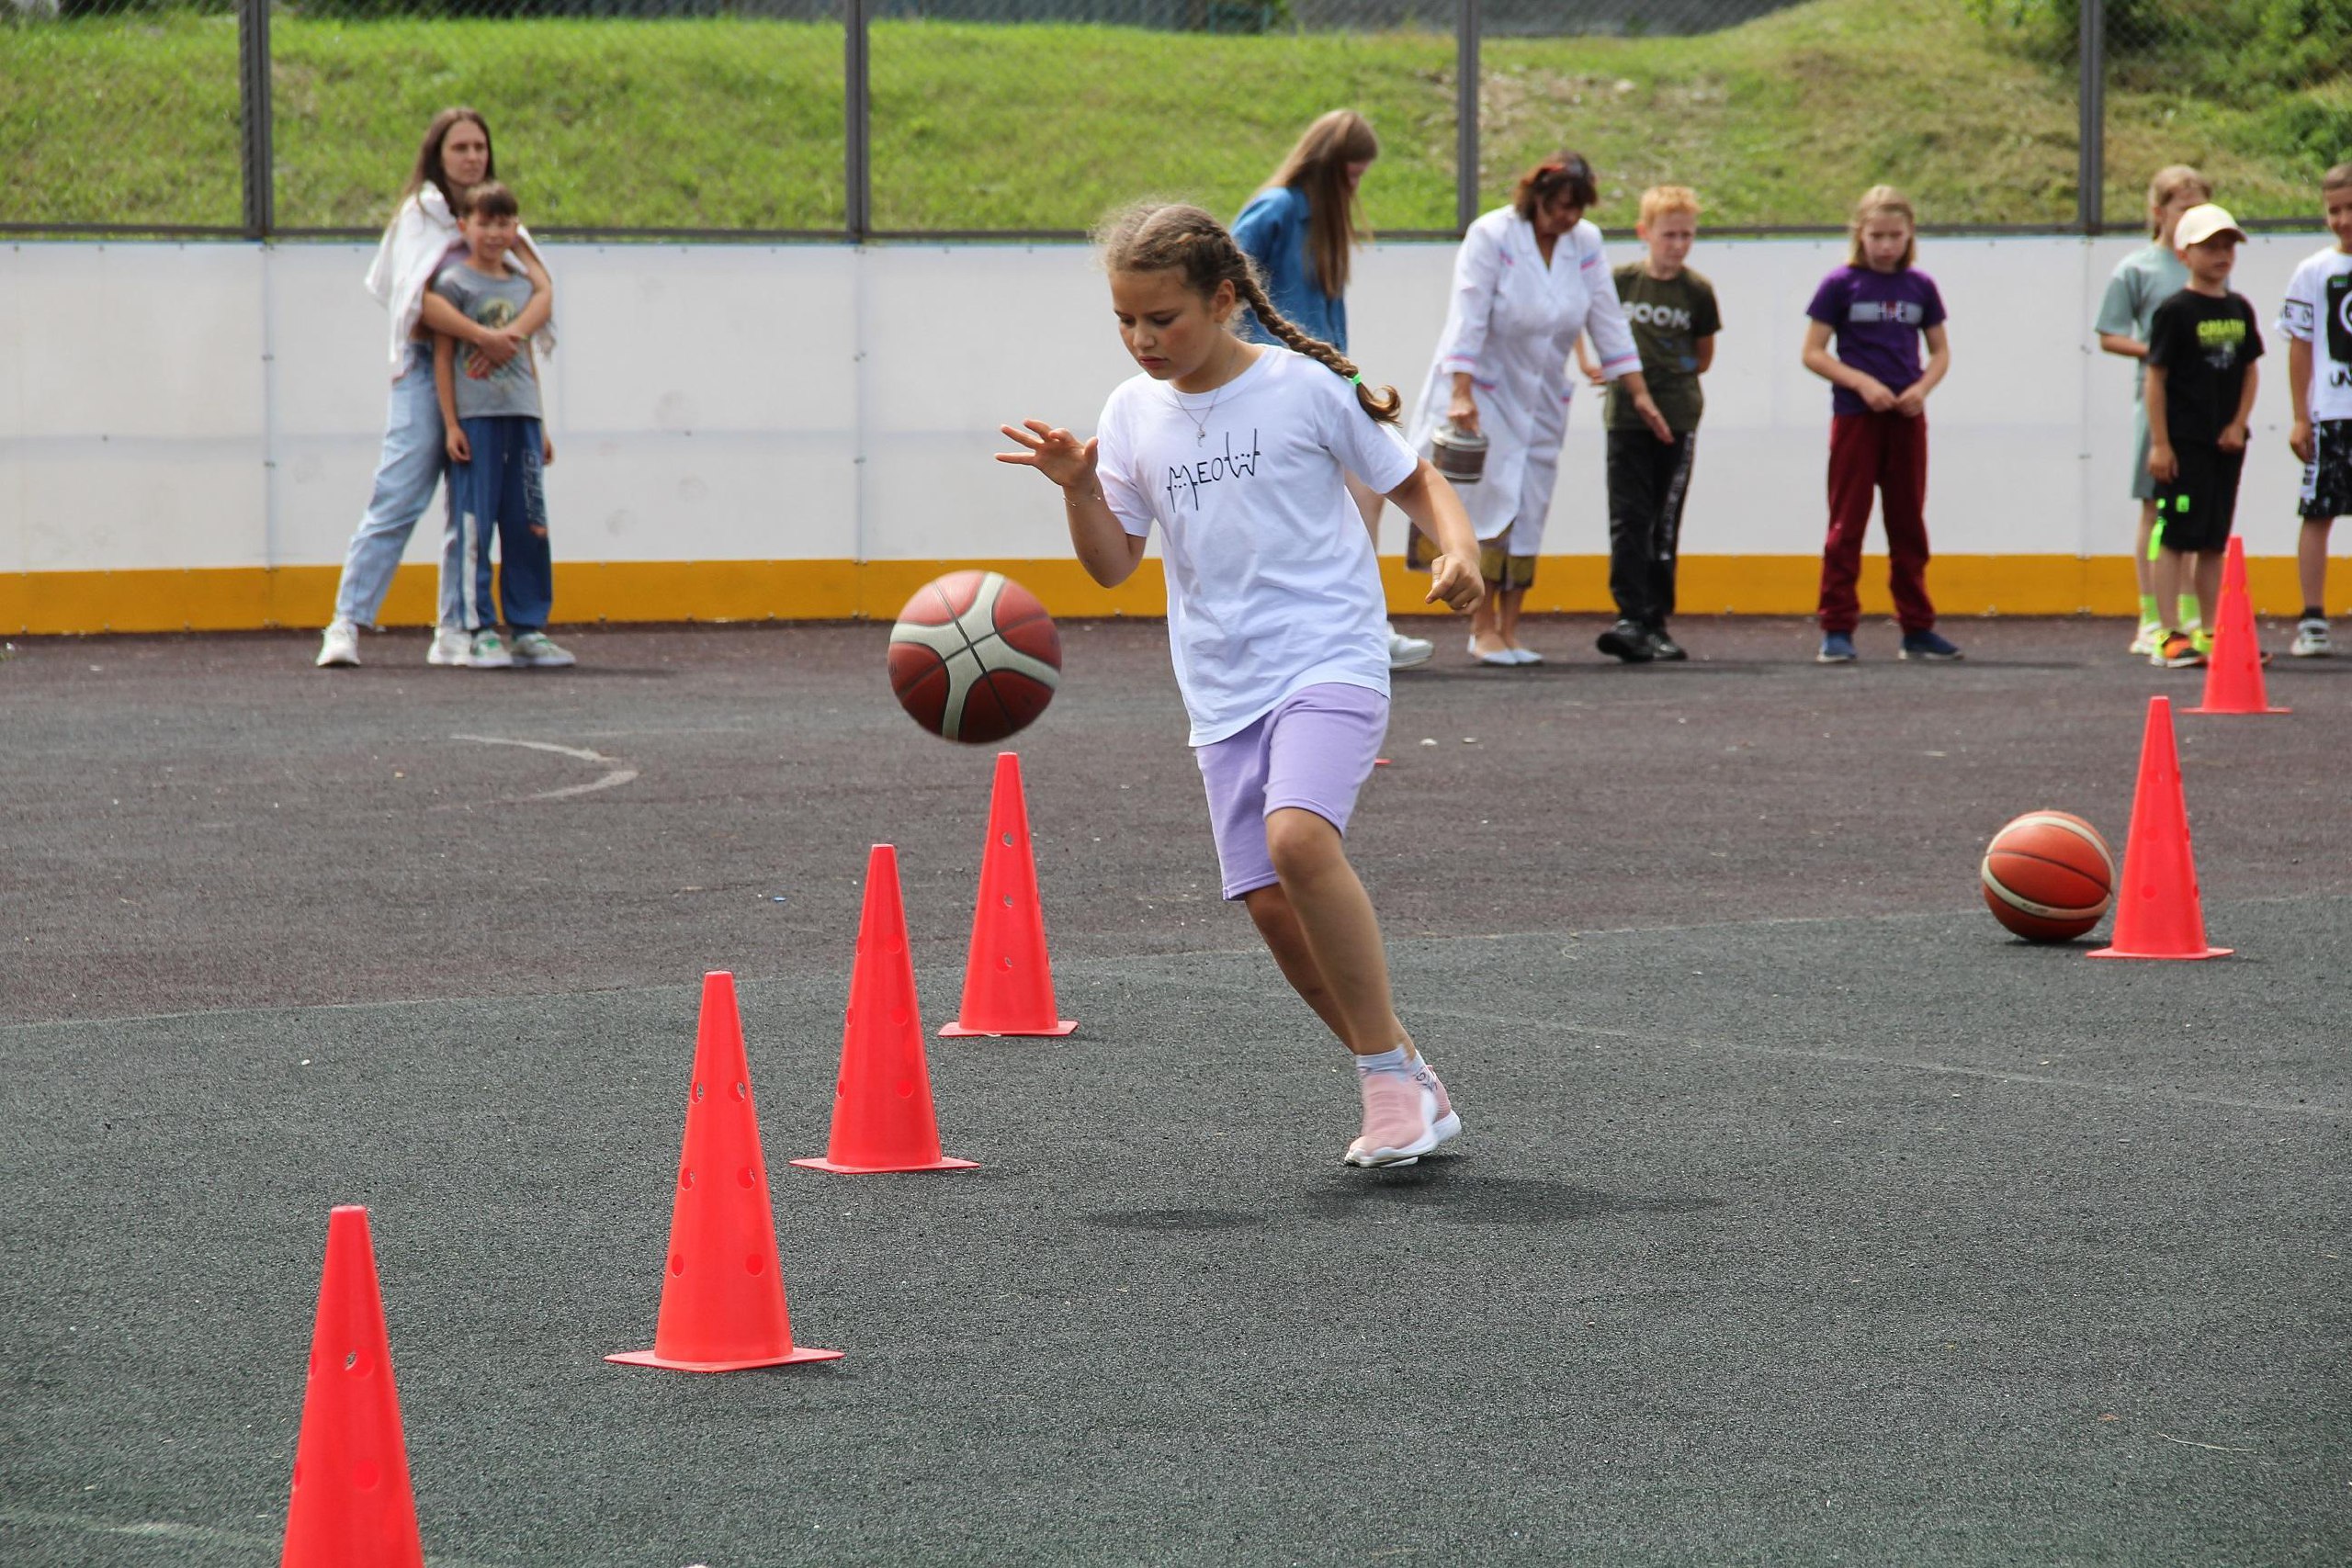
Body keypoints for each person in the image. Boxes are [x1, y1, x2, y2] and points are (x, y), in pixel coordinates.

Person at [995, 202, 1485, 1168]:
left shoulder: (1302, 389)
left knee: (1298, 839)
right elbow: (1110, 564)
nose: (1143, 341)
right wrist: (1078, 490)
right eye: (1125, 322)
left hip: (1330, 656)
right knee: (1269, 903)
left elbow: (1413, 479)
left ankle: (1386, 1086)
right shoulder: (1131, 414)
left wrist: (1458, 548)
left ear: (1223, 301)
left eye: (1162, 318)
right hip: (1221, 688)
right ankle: (1406, 1077)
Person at [1404, 152, 1671, 665]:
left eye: (1576, 208)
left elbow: (1608, 320)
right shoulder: (1492, 235)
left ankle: (1510, 629)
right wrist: (1461, 390)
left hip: (1542, 397)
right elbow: (1468, 313)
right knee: (1483, 507)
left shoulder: (1585, 243)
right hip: (1485, 392)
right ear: (1536, 198)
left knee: (1528, 506)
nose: (1567, 218)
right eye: (1559, 207)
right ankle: (1481, 629)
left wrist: (1638, 393)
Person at [316, 107, 555, 670]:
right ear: (437, 154)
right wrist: (481, 334)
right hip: (430, 367)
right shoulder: (419, 215)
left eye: (479, 147)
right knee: (399, 495)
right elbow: (416, 302)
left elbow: (540, 288)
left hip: (493, 377)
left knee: (472, 505)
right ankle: (346, 622)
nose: (472, 157)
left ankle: (456, 628)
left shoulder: (498, 218)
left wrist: (508, 337)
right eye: (459, 148)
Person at [1231, 109, 1434, 671]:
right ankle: (1359, 629)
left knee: (1366, 493)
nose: (1355, 187)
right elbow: (1223, 276)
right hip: (1278, 385)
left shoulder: (1319, 219)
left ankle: (1362, 627)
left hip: (1323, 381)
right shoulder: (1276, 211)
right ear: (1325, 168)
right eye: (1350, 175)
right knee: (1356, 495)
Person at [1800, 185, 1958, 663]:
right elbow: (1812, 352)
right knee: (1847, 523)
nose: (1886, 245)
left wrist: (1922, 389)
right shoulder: (1840, 284)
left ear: (1909, 235)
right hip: (1856, 419)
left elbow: (1940, 351)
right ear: (1860, 235)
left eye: (1895, 235)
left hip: (1906, 419)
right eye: (1877, 236)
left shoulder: (1920, 287)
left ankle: (1916, 627)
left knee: (1908, 522)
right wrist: (1861, 384)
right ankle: (1837, 626)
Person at [430, 181, 573, 669]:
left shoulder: (522, 287)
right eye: (484, 222)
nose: (494, 232)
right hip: (477, 420)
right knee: (475, 523)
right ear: (464, 226)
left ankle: (529, 626)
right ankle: (479, 627)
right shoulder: (453, 284)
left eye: (504, 223)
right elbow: (444, 357)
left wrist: (542, 422)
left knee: (529, 521)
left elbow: (528, 356)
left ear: (517, 229)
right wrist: (451, 424)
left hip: (523, 420)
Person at [1594, 185, 1718, 663]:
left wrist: (1668, 389)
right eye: (1669, 235)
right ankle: (1629, 615)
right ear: (1645, 233)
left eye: (1687, 235)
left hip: (1677, 417)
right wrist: (1601, 367)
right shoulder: (1622, 282)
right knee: (1628, 518)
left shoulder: (1697, 291)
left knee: (1663, 523)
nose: (1678, 245)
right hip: (1625, 418)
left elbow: (1704, 355)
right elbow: (1595, 325)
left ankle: (1656, 620)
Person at [2096, 164, 2213, 658]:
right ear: (2159, 212)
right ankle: (2150, 617)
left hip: (2204, 403)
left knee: (2195, 510)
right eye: (2184, 209)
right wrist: (2158, 352)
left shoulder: (2206, 266)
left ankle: (2188, 613)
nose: (2191, 219)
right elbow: (2109, 335)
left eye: (2200, 209)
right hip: (2158, 401)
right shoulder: (2137, 270)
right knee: (2155, 506)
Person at [2143, 203, 2262, 670]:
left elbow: (2250, 370)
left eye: (2228, 245)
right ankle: (2169, 633)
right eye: (2210, 246)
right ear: (2183, 254)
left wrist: (2238, 422)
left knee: (2214, 538)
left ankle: (2213, 630)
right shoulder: (2175, 311)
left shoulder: (2239, 308)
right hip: (2184, 445)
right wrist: (2160, 442)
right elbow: (2156, 377)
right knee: (2174, 535)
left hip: (2225, 446)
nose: (2222, 254)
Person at [2278, 161, 2352, 659]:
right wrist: (2301, 415)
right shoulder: (2313, 271)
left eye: (2350, 209)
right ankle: (2312, 618)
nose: (2343, 220)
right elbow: (2299, 345)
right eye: (2334, 211)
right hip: (2331, 412)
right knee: (2318, 512)